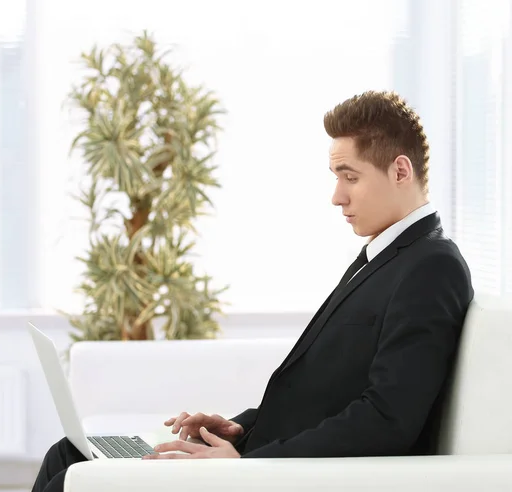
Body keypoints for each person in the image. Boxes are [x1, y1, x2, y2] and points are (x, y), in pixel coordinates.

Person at [31, 90, 474, 491]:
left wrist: (245, 464)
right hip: (260, 458)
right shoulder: (383, 256)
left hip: (279, 476)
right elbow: (322, 393)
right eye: (335, 176)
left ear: (400, 170)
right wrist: (238, 429)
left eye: (349, 176)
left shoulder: (432, 267)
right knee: (66, 455)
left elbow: (386, 419)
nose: (336, 196)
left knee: (69, 482)